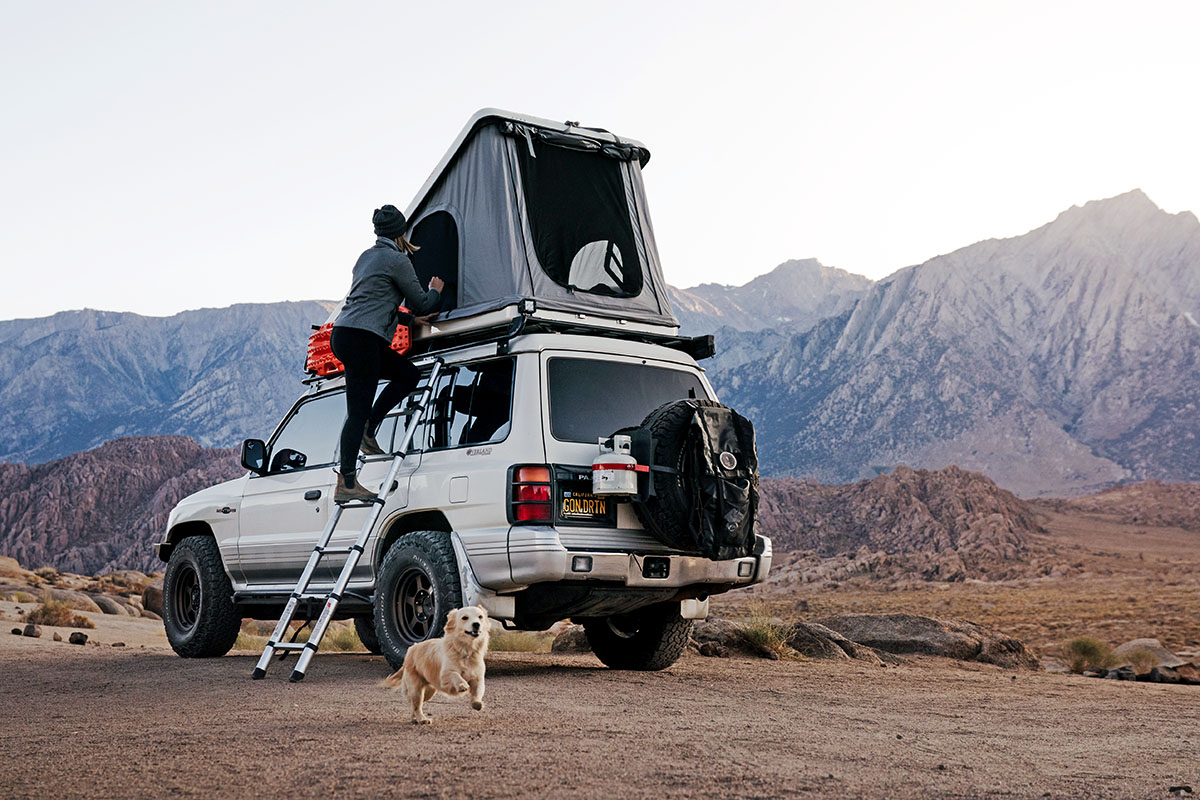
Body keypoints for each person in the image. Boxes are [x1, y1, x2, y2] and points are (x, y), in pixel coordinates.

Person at [331, 204, 444, 503]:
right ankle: (347, 482)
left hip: (343, 333)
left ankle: (369, 428)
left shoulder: (365, 257)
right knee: (357, 411)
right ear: (401, 232)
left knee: (407, 374)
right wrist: (436, 290)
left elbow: (375, 300)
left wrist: (408, 321)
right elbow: (422, 302)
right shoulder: (397, 260)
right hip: (362, 339)